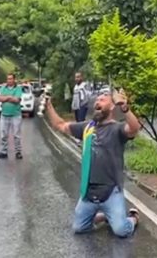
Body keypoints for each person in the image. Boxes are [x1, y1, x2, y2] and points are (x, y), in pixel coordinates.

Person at [46, 88, 142, 238]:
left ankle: (133, 218)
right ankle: (106, 216)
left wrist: (125, 107)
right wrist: (48, 105)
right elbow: (60, 125)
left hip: (111, 191)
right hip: (89, 192)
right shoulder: (87, 128)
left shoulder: (117, 129)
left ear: (111, 107)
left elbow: (134, 129)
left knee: (121, 231)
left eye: (102, 100)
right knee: (79, 228)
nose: (97, 101)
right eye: (97, 100)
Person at [0, 73, 23, 160]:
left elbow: (17, 100)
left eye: (11, 79)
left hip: (15, 115)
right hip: (4, 115)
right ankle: (4, 152)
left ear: (14, 79)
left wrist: (5, 98)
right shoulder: (3, 88)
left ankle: (18, 152)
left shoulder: (18, 88)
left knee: (16, 135)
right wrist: (10, 97)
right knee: (3, 134)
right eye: (8, 79)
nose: (9, 80)